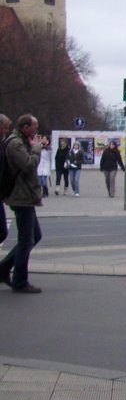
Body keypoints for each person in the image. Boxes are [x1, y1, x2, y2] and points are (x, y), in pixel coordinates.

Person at [0, 114, 44, 293]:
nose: (36, 130)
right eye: (34, 126)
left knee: (35, 235)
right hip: (21, 196)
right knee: (26, 240)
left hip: (26, 196)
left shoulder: (20, 141)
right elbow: (27, 166)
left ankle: (3, 268)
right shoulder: (16, 144)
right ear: (25, 127)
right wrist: (36, 149)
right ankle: (20, 281)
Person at [0, 113, 10, 247]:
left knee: (2, 231)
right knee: (2, 230)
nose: (7, 131)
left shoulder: (2, 144)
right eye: (5, 128)